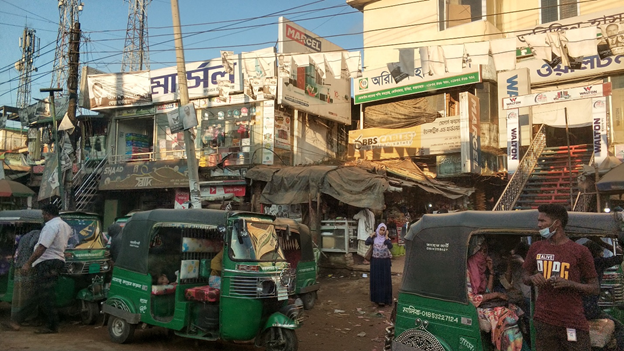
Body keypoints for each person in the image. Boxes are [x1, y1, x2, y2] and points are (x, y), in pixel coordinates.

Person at [522, 204, 599, 351]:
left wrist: (570, 284)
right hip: (544, 321)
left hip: (572, 321)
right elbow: (525, 275)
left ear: (556, 223)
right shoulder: (536, 247)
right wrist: (533, 278)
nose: (539, 225)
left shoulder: (581, 251)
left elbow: (595, 288)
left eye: (542, 221)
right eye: (538, 221)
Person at [467, 236, 523, 351]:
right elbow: (472, 299)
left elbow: (487, 291)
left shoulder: (481, 269)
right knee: (506, 316)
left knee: (515, 308)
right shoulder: (468, 270)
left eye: (486, 252)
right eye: (483, 252)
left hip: (485, 305)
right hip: (473, 308)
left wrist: (491, 272)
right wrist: (496, 295)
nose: (486, 256)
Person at [22, 204, 72, 334]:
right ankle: (22, 319)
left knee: (45, 295)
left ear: (48, 214)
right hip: (57, 262)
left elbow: (42, 247)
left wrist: (28, 263)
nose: (43, 217)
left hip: (47, 262)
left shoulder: (50, 226)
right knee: (43, 293)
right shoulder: (65, 226)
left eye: (44, 214)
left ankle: (52, 325)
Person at [582, 238, 624, 351]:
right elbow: (621, 256)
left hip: (574, 310)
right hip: (591, 310)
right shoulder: (599, 263)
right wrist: (605, 244)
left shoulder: (577, 263)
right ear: (598, 253)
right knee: (620, 328)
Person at [5, 230, 41, 331]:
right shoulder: (37, 234)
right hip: (29, 267)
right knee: (28, 293)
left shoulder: (24, 236)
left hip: (20, 265)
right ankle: (28, 318)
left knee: (19, 293)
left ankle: (17, 317)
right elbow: (34, 246)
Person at [365, 223, 393, 307]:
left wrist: (387, 236)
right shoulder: (374, 239)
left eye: (383, 230)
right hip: (375, 262)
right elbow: (367, 242)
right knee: (376, 280)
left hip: (385, 262)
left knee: (385, 281)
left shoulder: (387, 239)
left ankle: (386, 300)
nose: (382, 232)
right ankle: (376, 299)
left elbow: (390, 246)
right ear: (377, 229)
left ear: (386, 231)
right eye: (380, 230)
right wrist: (371, 235)